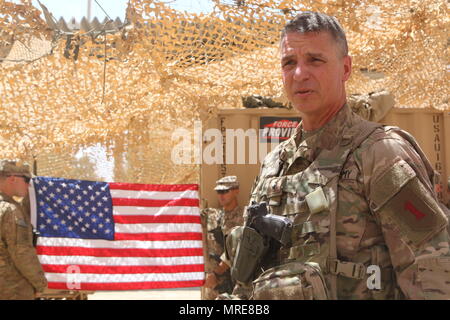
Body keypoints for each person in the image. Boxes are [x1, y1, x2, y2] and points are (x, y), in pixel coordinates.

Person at [227, 12, 450, 300]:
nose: (299, 74)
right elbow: (248, 279)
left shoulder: (379, 154)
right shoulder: (274, 166)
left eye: (315, 60)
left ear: (345, 68)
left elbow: (433, 271)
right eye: (289, 63)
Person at [0, 160, 47, 300]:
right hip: (11, 288)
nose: (28, 185)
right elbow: (22, 253)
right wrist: (39, 284)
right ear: (12, 178)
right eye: (26, 180)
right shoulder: (10, 211)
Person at [201, 176, 244, 300]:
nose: (221, 195)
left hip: (234, 283)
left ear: (236, 191)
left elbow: (239, 249)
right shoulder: (211, 215)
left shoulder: (244, 216)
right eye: (219, 192)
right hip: (212, 285)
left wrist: (216, 273)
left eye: (225, 191)